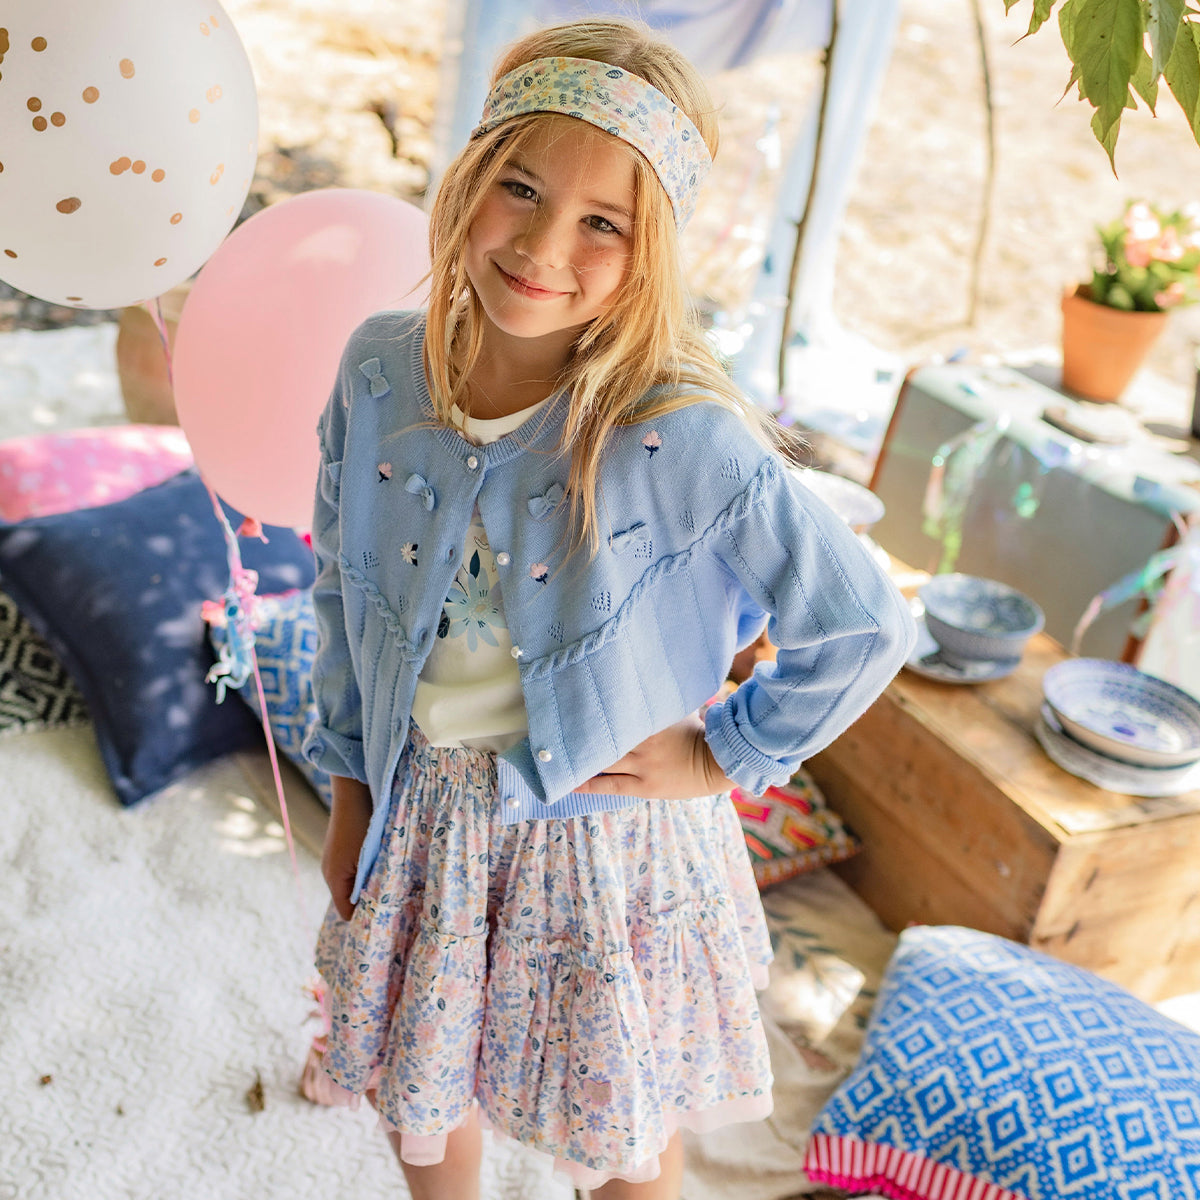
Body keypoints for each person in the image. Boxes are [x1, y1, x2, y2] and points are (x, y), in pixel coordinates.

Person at [302, 16, 915, 1200]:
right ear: (470, 177)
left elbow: (863, 626)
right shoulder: (379, 370)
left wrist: (721, 753)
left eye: (604, 222)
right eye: (522, 189)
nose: (543, 244)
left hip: (603, 841)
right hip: (420, 811)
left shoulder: (680, 434)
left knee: (616, 1128)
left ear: (654, 250)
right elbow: (339, 582)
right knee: (423, 1079)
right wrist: (348, 789)